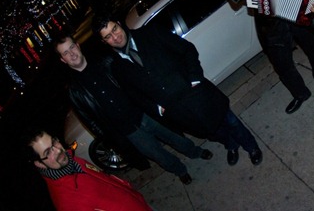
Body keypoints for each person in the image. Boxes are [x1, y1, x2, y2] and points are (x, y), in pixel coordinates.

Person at [91, 13, 263, 167]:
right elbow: (135, 96)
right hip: (177, 110)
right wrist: (157, 108)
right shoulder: (118, 68)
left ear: (119, 23)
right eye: (108, 36)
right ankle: (231, 145)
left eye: (114, 29)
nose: (116, 37)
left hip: (197, 92)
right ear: (104, 42)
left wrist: (195, 79)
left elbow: (187, 49)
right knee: (210, 131)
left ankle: (251, 146)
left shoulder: (150, 33)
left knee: (229, 120)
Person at [53, 33, 213, 185]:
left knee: (172, 135)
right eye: (66, 53)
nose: (72, 54)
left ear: (78, 45)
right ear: (62, 59)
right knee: (156, 154)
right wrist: (112, 137)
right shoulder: (74, 91)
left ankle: (195, 151)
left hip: (143, 112)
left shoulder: (105, 61)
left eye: (71, 47)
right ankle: (179, 170)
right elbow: (90, 121)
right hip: (127, 131)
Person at [23, 128, 153, 211]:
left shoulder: (72, 160)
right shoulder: (67, 202)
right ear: (39, 164)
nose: (57, 150)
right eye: (48, 152)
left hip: (139, 203)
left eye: (54, 142)